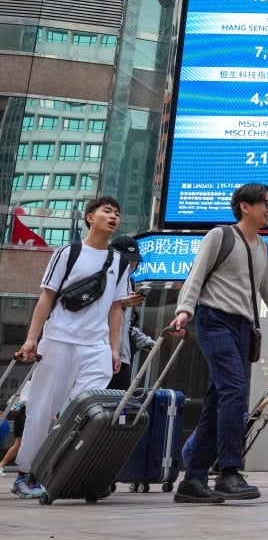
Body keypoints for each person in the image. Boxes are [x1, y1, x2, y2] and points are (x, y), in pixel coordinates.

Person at [169, 183, 268, 504]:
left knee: (218, 402)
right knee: (234, 390)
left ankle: (193, 480)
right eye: (267, 204)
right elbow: (196, 275)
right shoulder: (220, 235)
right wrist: (185, 309)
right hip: (214, 320)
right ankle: (229, 471)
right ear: (245, 206)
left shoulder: (263, 247)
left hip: (244, 330)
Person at [13, 196, 132, 499]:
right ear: (90, 217)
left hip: (97, 346)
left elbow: (116, 307)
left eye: (117, 213)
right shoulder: (69, 252)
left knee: (87, 408)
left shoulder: (119, 262)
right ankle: (26, 472)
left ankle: (69, 468)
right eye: (107, 211)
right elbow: (47, 296)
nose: (113, 217)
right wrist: (32, 338)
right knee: (42, 407)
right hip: (59, 339)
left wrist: (115, 349)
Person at [107, 235, 156, 391]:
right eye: (127, 260)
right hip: (99, 354)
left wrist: (145, 341)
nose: (132, 264)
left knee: (119, 408)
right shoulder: (103, 279)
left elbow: (126, 325)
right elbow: (93, 313)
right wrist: (121, 303)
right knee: (92, 406)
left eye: (134, 260)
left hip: (122, 358)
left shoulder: (131, 283)